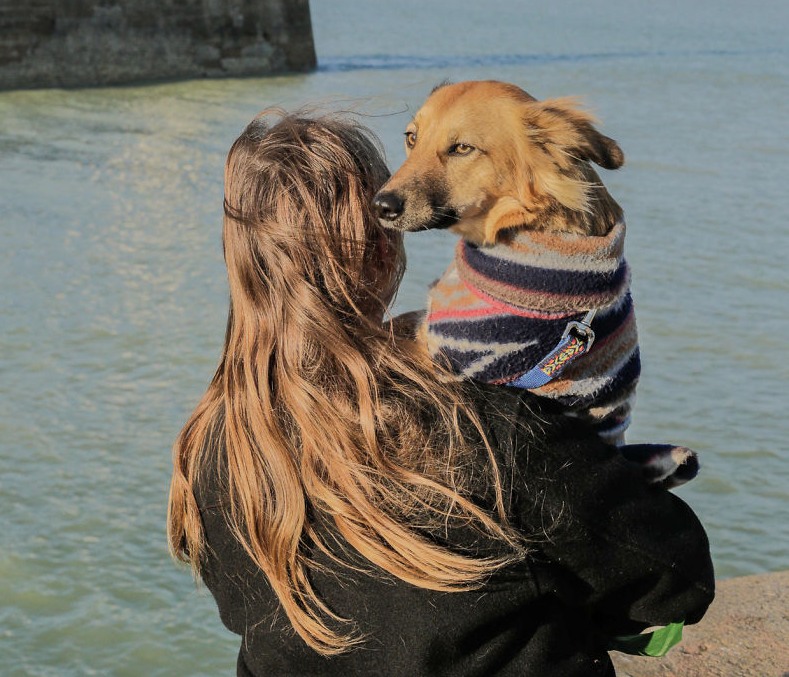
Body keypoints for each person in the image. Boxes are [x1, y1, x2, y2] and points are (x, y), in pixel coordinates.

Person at [168, 112, 714, 676]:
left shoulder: (209, 444)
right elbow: (679, 581)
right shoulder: (487, 428)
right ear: (382, 251)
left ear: (239, 258)